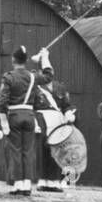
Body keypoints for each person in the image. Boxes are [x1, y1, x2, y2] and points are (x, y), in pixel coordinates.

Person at [0, 44, 43, 196]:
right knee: (28, 151)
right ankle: (27, 184)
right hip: (29, 116)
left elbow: (2, 102)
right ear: (25, 60)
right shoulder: (33, 76)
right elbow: (49, 76)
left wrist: (4, 122)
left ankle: (17, 184)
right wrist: (45, 58)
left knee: (15, 150)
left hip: (14, 116)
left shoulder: (9, 77)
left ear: (13, 60)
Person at [33, 55, 72, 193]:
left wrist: (68, 113)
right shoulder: (36, 87)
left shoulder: (60, 87)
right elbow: (32, 105)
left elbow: (66, 105)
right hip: (42, 119)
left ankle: (54, 181)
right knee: (42, 151)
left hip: (57, 120)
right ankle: (43, 180)